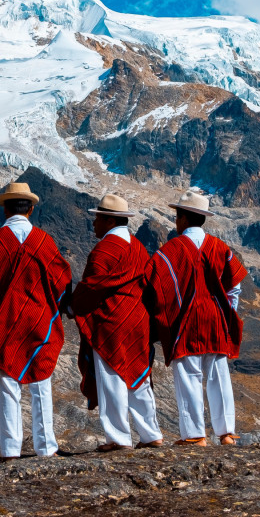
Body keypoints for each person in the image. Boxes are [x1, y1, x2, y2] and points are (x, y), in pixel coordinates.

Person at [0, 181, 72, 460]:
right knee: (41, 384)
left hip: (4, 324)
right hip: (38, 321)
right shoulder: (44, 241)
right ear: (31, 209)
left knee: (7, 387)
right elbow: (62, 280)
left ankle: (10, 450)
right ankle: (46, 448)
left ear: (5, 209)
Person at [149, 188, 247, 446]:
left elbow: (158, 290)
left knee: (189, 377)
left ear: (182, 218)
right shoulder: (220, 247)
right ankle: (226, 433)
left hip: (185, 321)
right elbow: (234, 286)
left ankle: (194, 435)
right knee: (218, 375)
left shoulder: (168, 251)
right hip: (215, 318)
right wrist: (227, 312)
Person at [73, 193, 163, 451]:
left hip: (111, 321)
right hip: (138, 319)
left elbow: (92, 286)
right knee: (139, 375)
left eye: (97, 219)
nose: (94, 224)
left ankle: (118, 438)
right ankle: (151, 434)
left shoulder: (104, 250)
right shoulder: (137, 247)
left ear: (110, 221)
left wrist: (71, 304)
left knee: (112, 377)